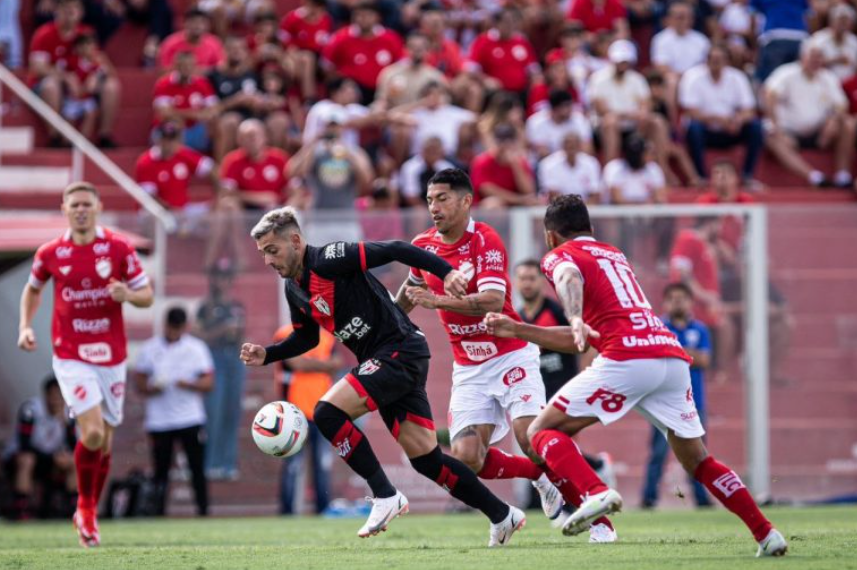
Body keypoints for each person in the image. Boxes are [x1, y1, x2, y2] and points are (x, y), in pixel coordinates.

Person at [482, 194, 787, 557]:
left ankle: (596, 493)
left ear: (550, 237)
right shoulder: (614, 254)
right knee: (698, 460)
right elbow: (582, 342)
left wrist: (574, 315)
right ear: (591, 229)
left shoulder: (559, 255)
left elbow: (567, 277)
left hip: (627, 358)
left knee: (540, 432)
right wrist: (521, 329)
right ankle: (766, 534)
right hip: (670, 357)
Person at [240, 207, 526, 546]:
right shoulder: (294, 288)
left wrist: (447, 272)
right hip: (391, 358)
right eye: (263, 254)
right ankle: (502, 515)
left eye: (273, 250)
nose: (269, 260)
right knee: (427, 461)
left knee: (328, 412)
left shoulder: (330, 258)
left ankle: (385, 496)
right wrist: (268, 354)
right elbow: (307, 337)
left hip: (399, 349)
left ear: (296, 241)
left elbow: (394, 248)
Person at [396, 169, 616, 542]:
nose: (434, 206)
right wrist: (387, 320)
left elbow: (493, 301)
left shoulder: (485, 240)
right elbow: (409, 292)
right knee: (467, 457)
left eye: (443, 198)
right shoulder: (423, 246)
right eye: (430, 199)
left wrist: (439, 301)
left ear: (466, 201)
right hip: (468, 366)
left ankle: (600, 520)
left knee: (531, 437)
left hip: (511, 355)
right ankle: (539, 476)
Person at [18, 181, 154, 547]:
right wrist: (25, 326)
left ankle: (88, 507)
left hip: (111, 356)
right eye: (74, 204)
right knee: (91, 432)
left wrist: (128, 294)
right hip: (71, 354)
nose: (80, 210)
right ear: (64, 208)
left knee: (105, 442)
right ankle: (86, 508)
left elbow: (147, 294)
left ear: (97, 208)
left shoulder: (119, 248)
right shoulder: (50, 253)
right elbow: (33, 288)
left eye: (86, 204)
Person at [513, 259, 618, 513]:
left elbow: (585, 339)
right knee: (540, 443)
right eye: (522, 278)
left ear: (541, 281)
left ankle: (572, 496)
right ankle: (595, 468)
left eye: (531, 278)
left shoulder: (557, 312)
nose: (527, 283)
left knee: (551, 442)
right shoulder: (519, 316)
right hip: (535, 386)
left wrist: (584, 373)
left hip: (562, 384)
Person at [132, 307, 213, 516]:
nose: (174, 332)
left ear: (185, 327)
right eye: (171, 327)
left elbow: (208, 382)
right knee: (161, 470)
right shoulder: (150, 348)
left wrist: (189, 384)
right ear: (165, 325)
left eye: (178, 328)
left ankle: (203, 511)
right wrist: (153, 388)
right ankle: (158, 511)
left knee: (196, 468)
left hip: (190, 417)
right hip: (159, 420)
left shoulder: (196, 348)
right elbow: (139, 382)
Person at [641, 283, 712, 509]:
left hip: (694, 402)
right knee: (658, 453)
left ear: (690, 302)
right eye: (672, 298)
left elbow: (704, 360)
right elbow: (654, 357)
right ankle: (648, 499)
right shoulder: (657, 326)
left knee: (697, 454)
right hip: (663, 403)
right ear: (665, 302)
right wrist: (687, 354)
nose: (677, 302)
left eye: (682, 297)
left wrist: (673, 351)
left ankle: (702, 500)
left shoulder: (700, 329)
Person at [28, 0, 120, 148]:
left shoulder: (86, 34)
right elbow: (37, 68)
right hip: (50, 87)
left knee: (111, 86)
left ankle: (104, 136)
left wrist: (96, 76)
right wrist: (65, 77)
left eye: (74, 9)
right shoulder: (44, 34)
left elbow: (103, 64)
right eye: (66, 9)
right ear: (57, 12)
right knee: (51, 85)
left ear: (81, 12)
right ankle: (56, 136)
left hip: (82, 87)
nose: (70, 14)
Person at [762, 41, 855, 188]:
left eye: (819, 57)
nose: (815, 61)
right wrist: (776, 126)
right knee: (770, 136)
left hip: (820, 133)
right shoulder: (786, 73)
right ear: (802, 57)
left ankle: (842, 175)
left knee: (848, 123)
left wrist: (833, 120)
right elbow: (769, 95)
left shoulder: (828, 77)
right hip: (789, 133)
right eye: (812, 57)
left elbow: (841, 105)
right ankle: (815, 177)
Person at [273, 324, 341, 515]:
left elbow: (336, 363)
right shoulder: (285, 333)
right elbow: (296, 364)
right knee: (293, 464)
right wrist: (323, 364)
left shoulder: (327, 336)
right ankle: (287, 511)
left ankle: (323, 510)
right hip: (294, 411)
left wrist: (310, 362)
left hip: (322, 408)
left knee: (322, 463)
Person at [679, 43, 763, 182]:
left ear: (727, 61)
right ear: (706, 60)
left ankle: (747, 176)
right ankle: (701, 177)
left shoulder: (737, 77)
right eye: (713, 59)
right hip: (706, 130)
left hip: (731, 129)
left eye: (720, 59)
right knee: (694, 128)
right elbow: (690, 111)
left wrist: (738, 120)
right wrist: (719, 120)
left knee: (756, 127)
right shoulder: (692, 77)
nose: (716, 63)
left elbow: (749, 109)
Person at [195, 263, 247, 481]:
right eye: (218, 277)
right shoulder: (205, 307)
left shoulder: (237, 306)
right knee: (213, 413)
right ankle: (211, 463)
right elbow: (199, 337)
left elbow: (242, 334)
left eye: (226, 277)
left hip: (234, 358)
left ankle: (228, 463)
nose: (222, 281)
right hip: (213, 358)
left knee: (232, 413)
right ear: (213, 280)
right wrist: (222, 330)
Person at [2, 376, 76, 520]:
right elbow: (25, 445)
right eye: (53, 395)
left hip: (51, 460)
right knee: (27, 459)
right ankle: (21, 509)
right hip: (22, 459)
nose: (56, 400)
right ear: (46, 395)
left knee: (73, 460)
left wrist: (66, 425)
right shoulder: (31, 409)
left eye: (60, 396)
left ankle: (73, 509)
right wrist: (51, 457)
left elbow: (73, 445)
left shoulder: (68, 413)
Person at [321, 1, 404, 104]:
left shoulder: (390, 38)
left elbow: (402, 65)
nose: (363, 19)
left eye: (368, 15)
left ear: (377, 17)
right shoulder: (341, 38)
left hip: (383, 92)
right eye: (358, 15)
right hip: (353, 94)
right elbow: (327, 65)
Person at [134, 119, 218, 212]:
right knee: (149, 213)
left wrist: (219, 195)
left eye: (172, 139)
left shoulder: (182, 154)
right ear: (159, 139)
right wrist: (174, 211)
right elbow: (149, 198)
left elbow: (211, 169)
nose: (169, 143)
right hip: (159, 213)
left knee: (218, 208)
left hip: (184, 210)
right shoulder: (146, 161)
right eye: (165, 139)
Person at [153, 50, 218, 153]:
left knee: (218, 123)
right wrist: (195, 114)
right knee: (175, 123)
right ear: (176, 66)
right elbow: (165, 113)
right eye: (183, 65)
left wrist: (178, 112)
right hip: (169, 129)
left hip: (197, 129)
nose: (186, 69)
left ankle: (219, 164)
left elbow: (214, 109)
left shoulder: (202, 83)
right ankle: (178, 162)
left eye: (189, 65)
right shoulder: (163, 84)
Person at [470, 123, 538, 208]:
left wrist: (515, 164)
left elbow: (529, 191)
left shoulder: (519, 161)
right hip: (485, 206)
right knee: (493, 203)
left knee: (537, 203)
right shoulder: (482, 161)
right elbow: (486, 190)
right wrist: (519, 199)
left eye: (509, 141)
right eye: (501, 141)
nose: (505, 146)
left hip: (516, 204)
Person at [537, 132, 602, 203]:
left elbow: (595, 195)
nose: (571, 148)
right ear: (562, 146)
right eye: (568, 145)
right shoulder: (549, 164)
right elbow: (553, 195)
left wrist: (581, 209)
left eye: (574, 146)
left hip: (586, 209)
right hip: (558, 209)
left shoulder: (591, 163)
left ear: (580, 146)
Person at [158, 7, 225, 72]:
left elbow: (220, 68)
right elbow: (163, 71)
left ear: (208, 25)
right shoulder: (170, 43)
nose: (197, 26)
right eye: (193, 22)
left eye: (201, 22)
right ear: (184, 23)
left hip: (206, 81)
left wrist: (203, 71)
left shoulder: (214, 43)